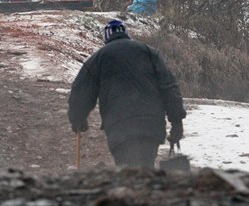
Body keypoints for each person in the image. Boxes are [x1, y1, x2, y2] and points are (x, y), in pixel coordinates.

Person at [68, 19, 186, 168]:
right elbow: (169, 87)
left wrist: (78, 118)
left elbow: (81, 91)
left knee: (127, 171)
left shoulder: (99, 57)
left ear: (106, 38)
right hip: (150, 124)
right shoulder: (149, 52)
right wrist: (177, 121)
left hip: (119, 126)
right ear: (126, 34)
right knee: (146, 167)